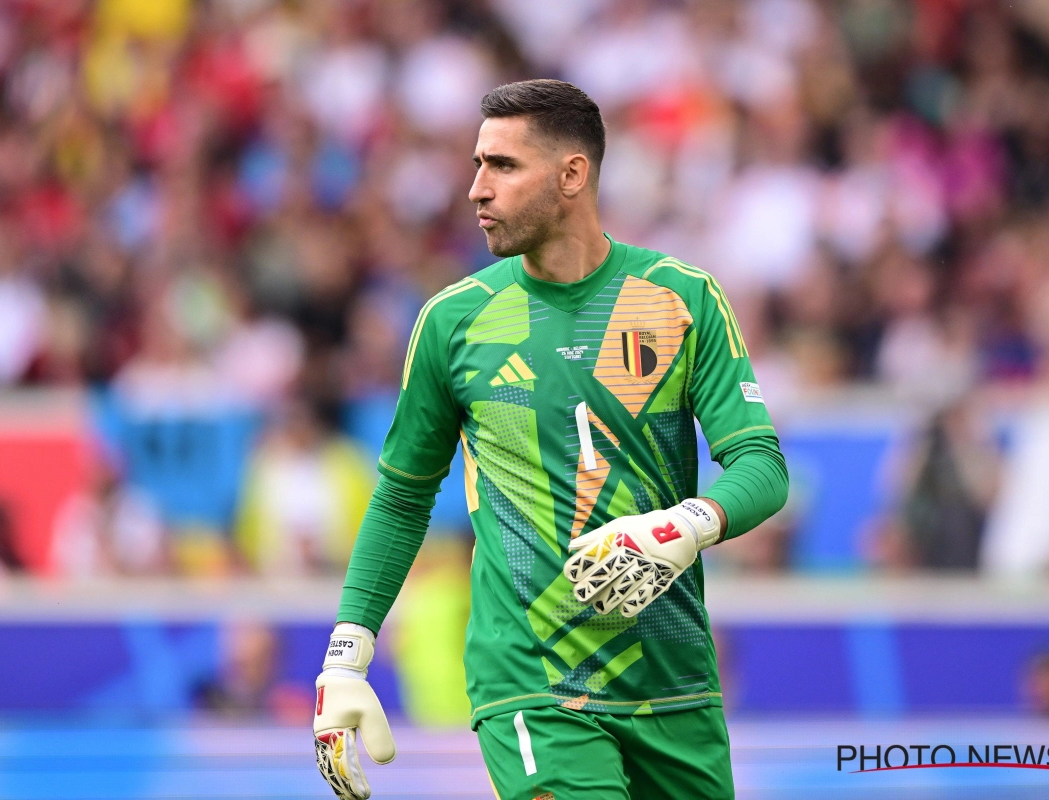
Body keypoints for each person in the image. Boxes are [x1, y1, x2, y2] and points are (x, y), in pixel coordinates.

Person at [313, 80, 789, 800]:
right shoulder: (455, 321)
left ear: (573, 174)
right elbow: (403, 498)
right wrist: (345, 658)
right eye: (477, 164)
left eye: (502, 166)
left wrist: (686, 526)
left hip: (674, 682)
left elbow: (761, 465)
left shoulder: (681, 300)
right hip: (532, 684)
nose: (476, 189)